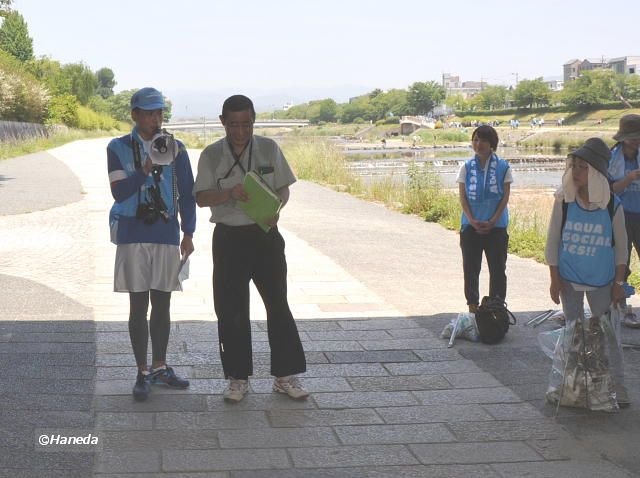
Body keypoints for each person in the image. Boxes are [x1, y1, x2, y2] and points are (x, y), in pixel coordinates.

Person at [193, 94, 308, 403]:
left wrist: (277, 207)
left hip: (265, 233)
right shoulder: (212, 154)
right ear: (222, 122)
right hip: (229, 237)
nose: (240, 131)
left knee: (278, 305)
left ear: (254, 120)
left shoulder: (269, 148)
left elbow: (283, 188)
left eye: (246, 124)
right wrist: (228, 193)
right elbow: (201, 197)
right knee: (231, 311)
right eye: (233, 125)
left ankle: (285, 375)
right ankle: (237, 377)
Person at [107, 87, 196, 401]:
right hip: (132, 234)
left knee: (163, 304)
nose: (154, 118)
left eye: (159, 112)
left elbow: (187, 192)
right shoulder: (118, 147)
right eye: (148, 112)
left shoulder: (177, 148)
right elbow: (119, 193)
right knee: (137, 306)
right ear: (134, 115)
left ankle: (160, 366)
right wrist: (145, 168)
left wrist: (189, 233)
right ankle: (142, 370)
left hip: (166, 233)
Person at [545, 137, 628, 408]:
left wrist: (618, 283)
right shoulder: (564, 201)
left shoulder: (612, 205)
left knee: (608, 335)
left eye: (583, 167)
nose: (577, 171)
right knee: (572, 334)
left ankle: (616, 390)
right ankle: (570, 388)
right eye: (575, 165)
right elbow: (553, 241)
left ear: (595, 173)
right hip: (569, 278)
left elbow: (621, 248)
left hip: (603, 280)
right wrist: (554, 278)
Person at [457, 125, 512, 313]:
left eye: (483, 140)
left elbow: (505, 197)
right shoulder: (465, 167)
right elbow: (462, 197)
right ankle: (473, 307)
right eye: (475, 140)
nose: (478, 144)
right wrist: (472, 220)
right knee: (471, 270)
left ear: (492, 144)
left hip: (496, 227)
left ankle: (496, 308)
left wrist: (493, 220)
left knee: (497, 270)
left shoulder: (504, 167)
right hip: (470, 227)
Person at [607, 114, 640, 328]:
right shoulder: (611, 158)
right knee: (622, 262)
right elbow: (609, 191)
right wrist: (628, 179)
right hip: (621, 216)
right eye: (632, 137)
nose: (636, 140)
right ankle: (623, 306)